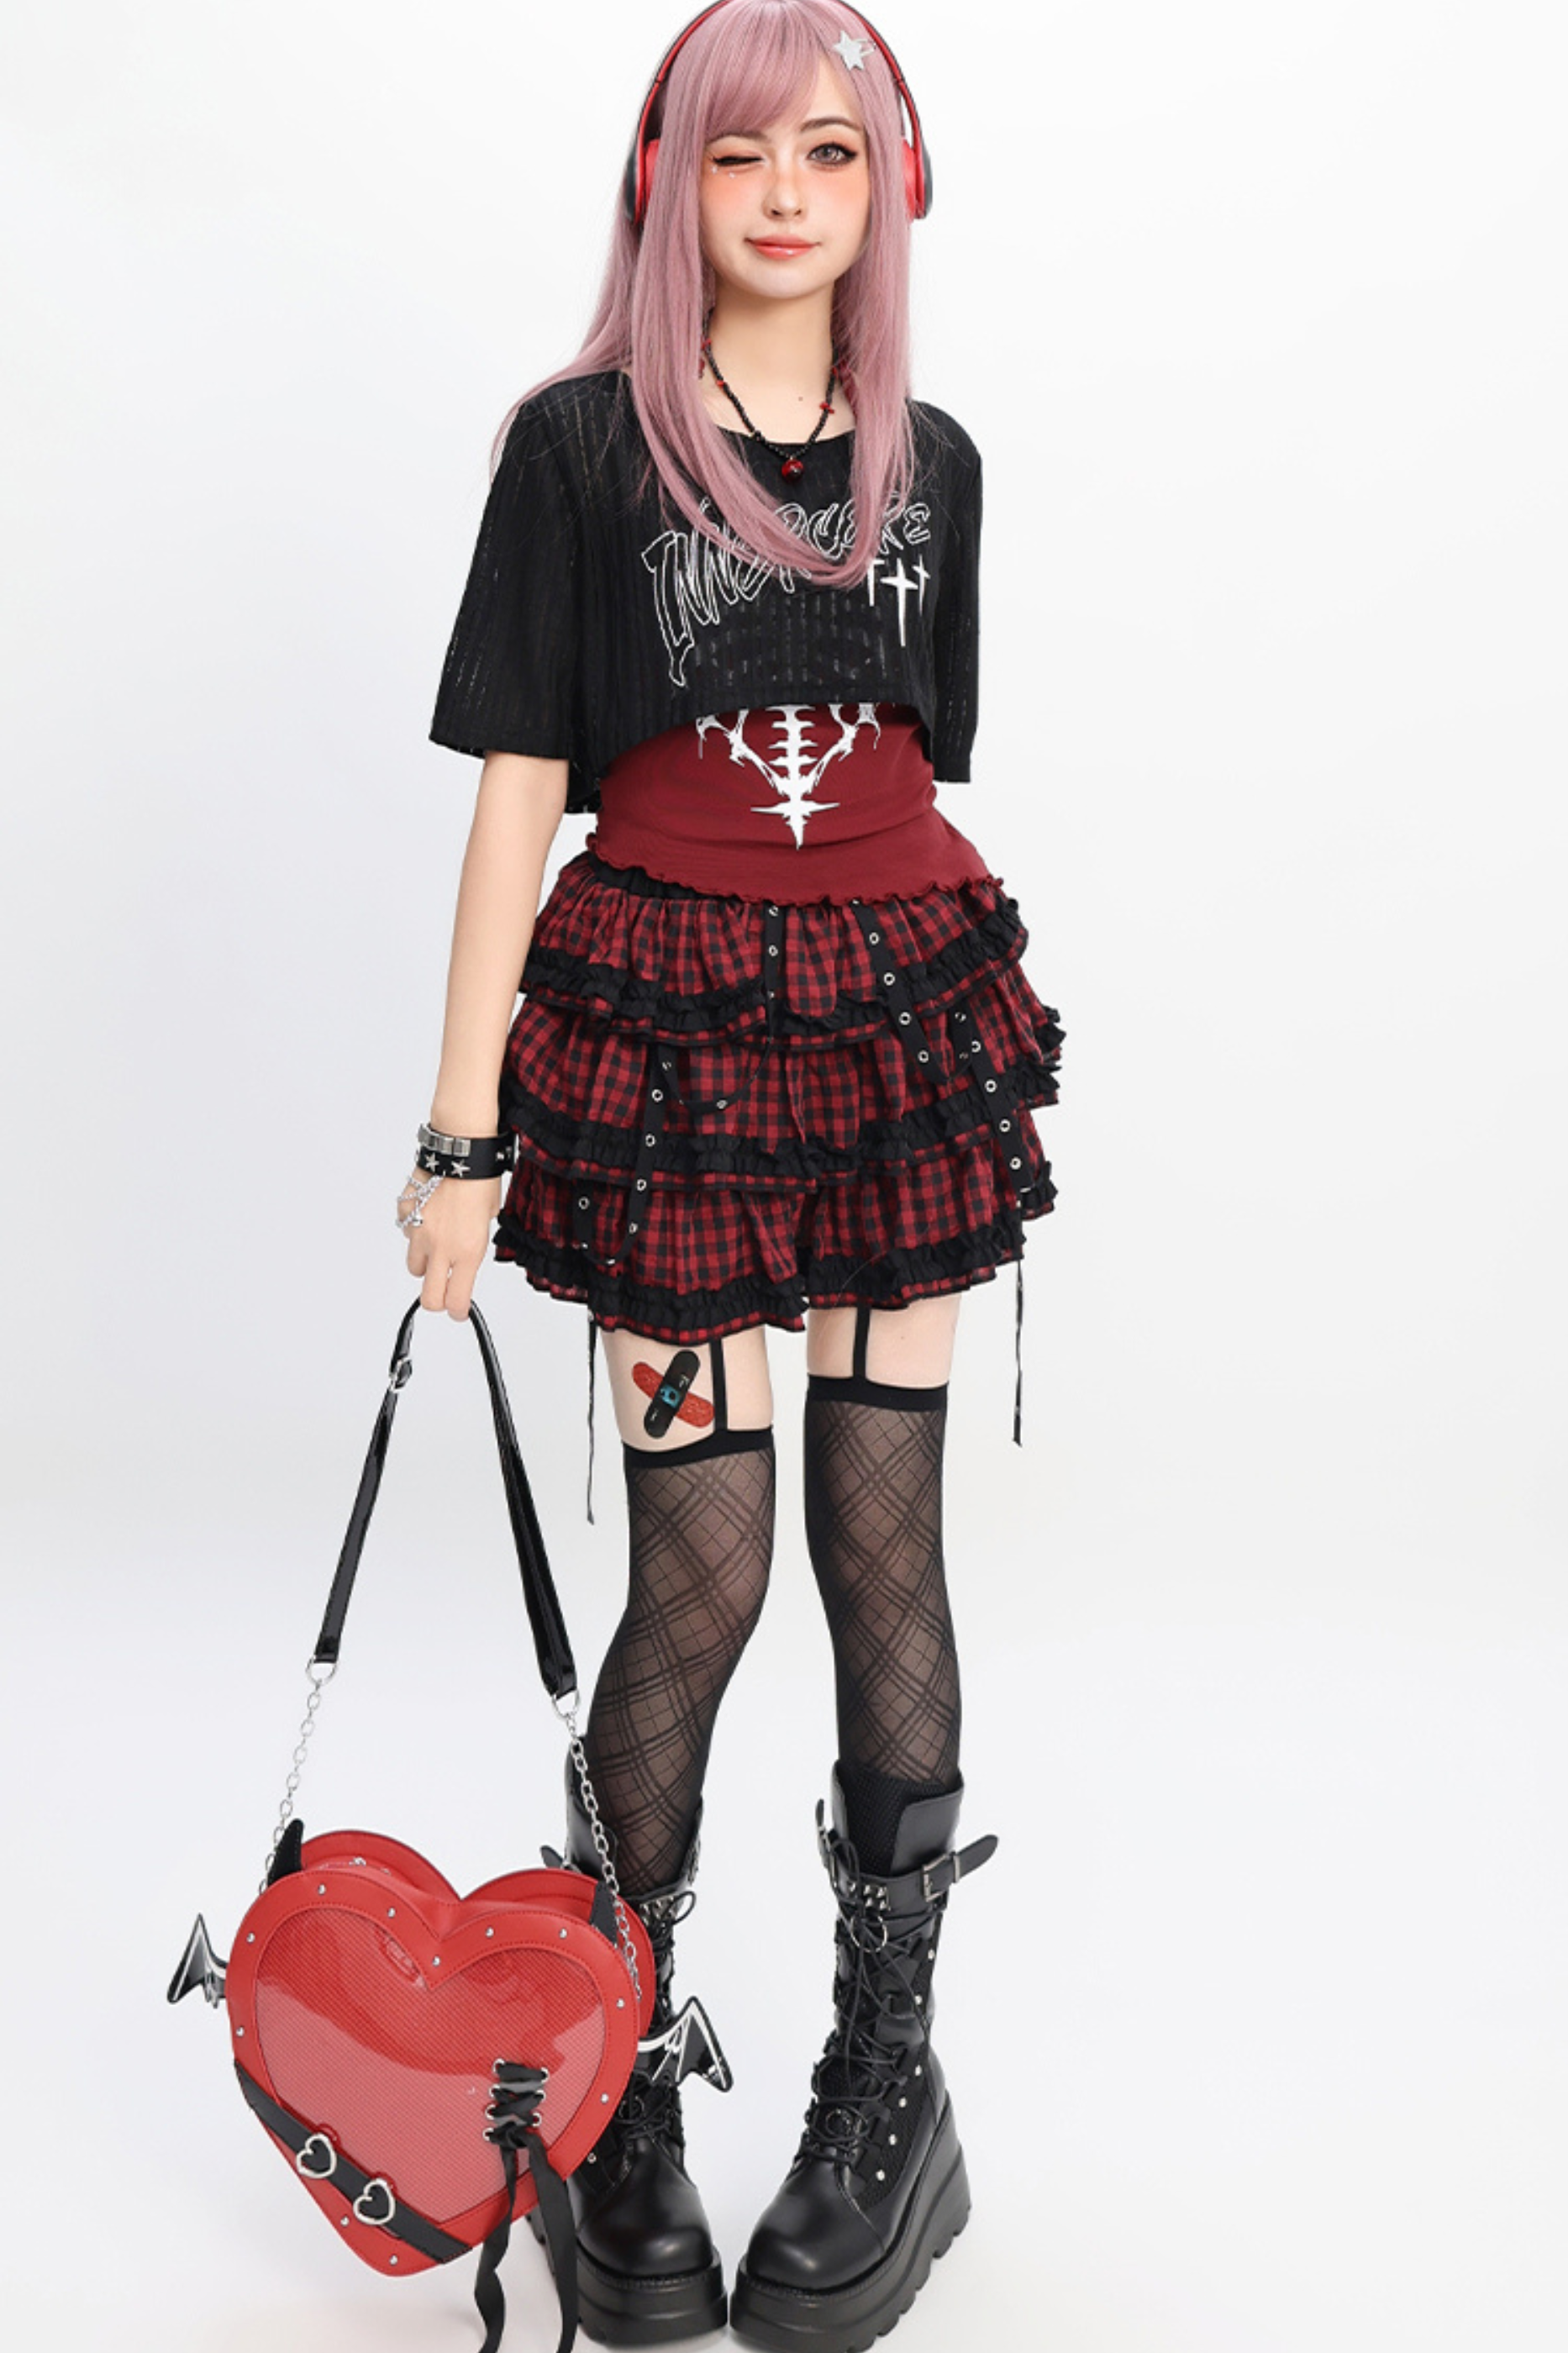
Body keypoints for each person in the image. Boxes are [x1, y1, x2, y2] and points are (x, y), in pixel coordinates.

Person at [398, 3, 1063, 2345]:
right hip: (670, 1048)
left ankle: (891, 2084)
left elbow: (903, 767)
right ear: (665, 179)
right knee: (704, 1566)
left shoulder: (933, 465)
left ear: (891, 188)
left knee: (889, 1554)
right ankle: (615, 2084)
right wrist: (460, 1134)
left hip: (897, 1044)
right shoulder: (581, 448)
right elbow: (517, 798)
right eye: (740, 153)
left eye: (834, 153)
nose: (787, 195)